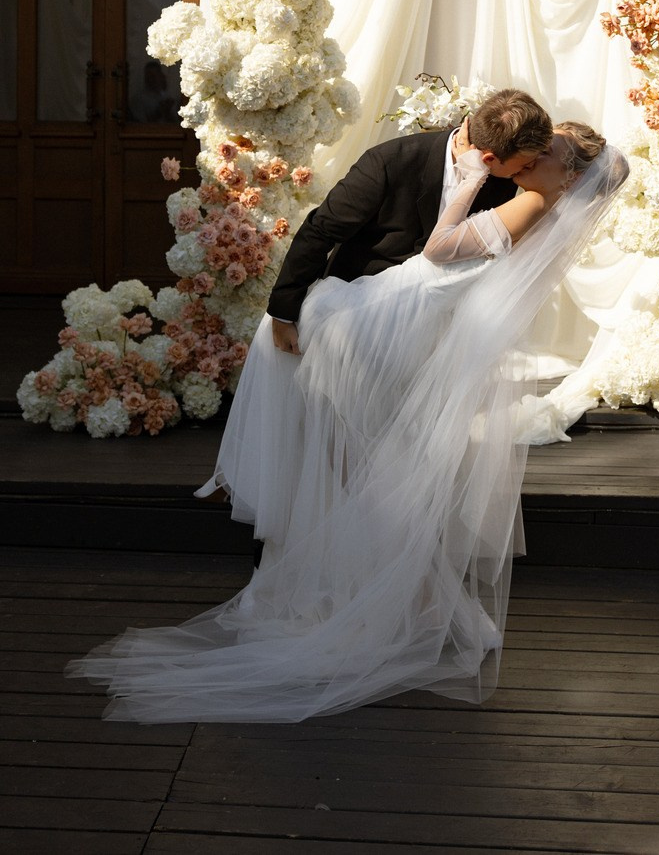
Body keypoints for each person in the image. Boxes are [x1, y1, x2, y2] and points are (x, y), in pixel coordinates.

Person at [69, 122, 627, 723]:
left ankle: (369, 595)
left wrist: (465, 185)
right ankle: (389, 591)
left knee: (355, 460)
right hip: (391, 311)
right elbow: (342, 232)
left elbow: (441, 251)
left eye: (551, 152)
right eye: (539, 145)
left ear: (568, 176)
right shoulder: (518, 194)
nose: (537, 154)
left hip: (385, 320)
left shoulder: (527, 201)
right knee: (357, 460)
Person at [267, 87, 554, 355]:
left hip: (438, 328)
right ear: (490, 158)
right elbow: (320, 230)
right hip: (358, 314)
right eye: (526, 164)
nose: (529, 169)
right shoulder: (389, 162)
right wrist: (283, 314)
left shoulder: (505, 179)